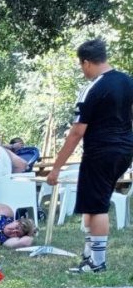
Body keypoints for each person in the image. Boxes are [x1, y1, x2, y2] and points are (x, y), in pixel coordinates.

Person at [46, 37, 133, 274]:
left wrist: (56, 167)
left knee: (97, 206)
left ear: (86, 63)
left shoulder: (94, 87)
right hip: (124, 150)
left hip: (101, 151)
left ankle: (98, 262)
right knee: (91, 201)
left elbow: (77, 132)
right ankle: (88, 255)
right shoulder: (127, 81)